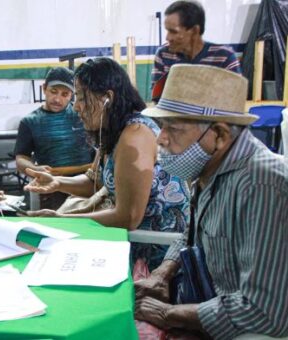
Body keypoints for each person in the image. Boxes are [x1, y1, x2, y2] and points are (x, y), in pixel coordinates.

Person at [135, 64, 288, 339]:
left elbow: (262, 312)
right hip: (208, 303)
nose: (161, 139)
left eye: (173, 128)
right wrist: (164, 272)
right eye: (161, 127)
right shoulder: (210, 167)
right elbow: (193, 233)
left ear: (219, 135)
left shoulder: (261, 184)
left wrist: (166, 314)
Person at [25, 58, 190, 270]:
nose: (76, 107)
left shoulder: (134, 136)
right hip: (131, 237)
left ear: (107, 98)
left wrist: (62, 220)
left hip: (156, 250)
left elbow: (127, 217)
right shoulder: (112, 132)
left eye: (82, 98)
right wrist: (57, 182)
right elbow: (93, 182)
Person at [14, 66, 93, 210]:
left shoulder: (82, 115)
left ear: (72, 95)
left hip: (87, 184)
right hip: (53, 186)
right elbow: (21, 160)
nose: (57, 99)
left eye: (65, 94)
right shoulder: (30, 122)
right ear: (44, 88)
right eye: (53, 92)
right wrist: (35, 168)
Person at [151, 0, 241, 100]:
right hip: (171, 115)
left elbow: (235, 98)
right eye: (167, 31)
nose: (168, 37)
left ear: (194, 31)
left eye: (173, 32)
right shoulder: (163, 54)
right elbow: (157, 97)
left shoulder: (224, 57)